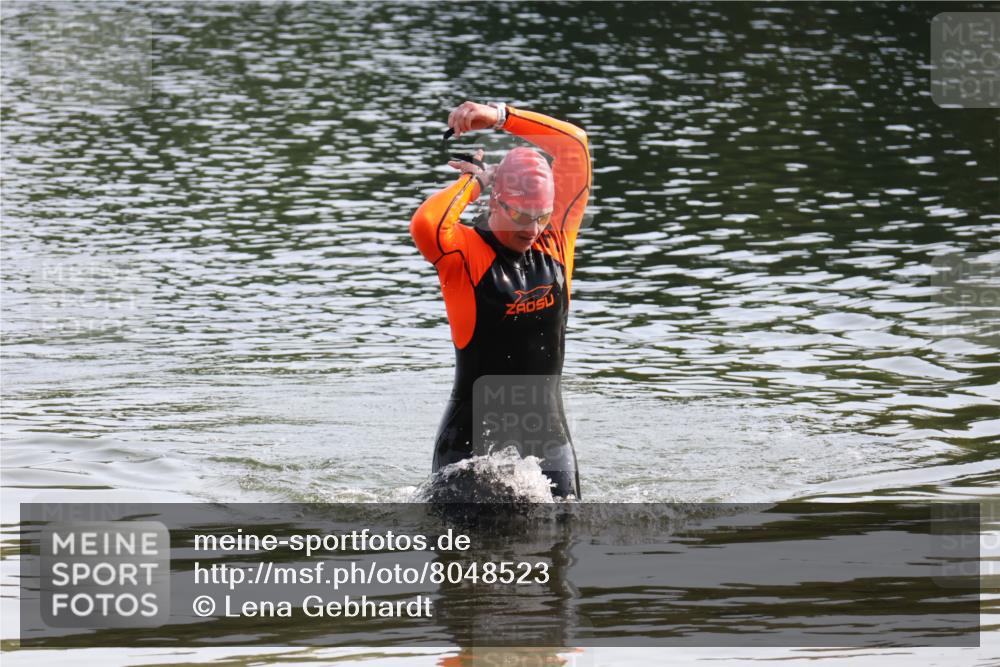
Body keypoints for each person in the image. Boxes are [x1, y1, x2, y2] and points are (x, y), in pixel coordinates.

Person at [410, 101, 591, 499]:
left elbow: (574, 146)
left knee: (561, 553)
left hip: (549, 445)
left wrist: (500, 117)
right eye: (522, 216)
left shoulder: (556, 241)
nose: (533, 228)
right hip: (469, 450)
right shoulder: (463, 253)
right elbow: (426, 223)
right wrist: (474, 181)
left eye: (541, 215)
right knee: (466, 560)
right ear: (496, 202)